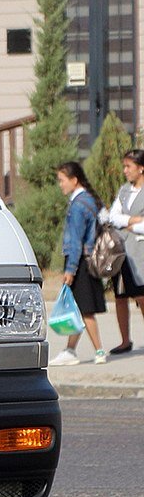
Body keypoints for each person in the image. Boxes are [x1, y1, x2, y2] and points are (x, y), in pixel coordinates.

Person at [50, 162, 107, 366]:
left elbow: (75, 241)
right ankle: (70, 350)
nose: (60, 185)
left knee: (85, 309)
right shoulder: (90, 200)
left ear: (74, 180)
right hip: (88, 259)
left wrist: (70, 270)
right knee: (78, 307)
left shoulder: (78, 205)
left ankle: (99, 351)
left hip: (80, 261)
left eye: (62, 180)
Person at [103, 148, 144, 355]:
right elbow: (112, 216)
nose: (125, 170)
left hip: (141, 252)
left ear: (141, 168)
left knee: (142, 296)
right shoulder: (123, 191)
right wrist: (133, 220)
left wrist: (131, 225)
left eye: (129, 166)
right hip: (122, 251)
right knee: (120, 296)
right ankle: (124, 340)